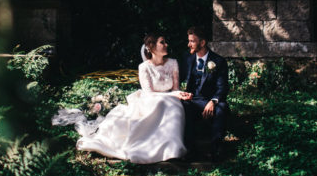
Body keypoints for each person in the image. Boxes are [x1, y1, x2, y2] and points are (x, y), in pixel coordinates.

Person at [75, 33, 189, 163]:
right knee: (165, 102)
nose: (166, 45)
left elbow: (175, 89)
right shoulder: (144, 67)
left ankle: (172, 149)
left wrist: (181, 94)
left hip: (169, 99)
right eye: (162, 42)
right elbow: (149, 93)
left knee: (174, 104)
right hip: (149, 101)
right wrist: (173, 95)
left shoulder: (173, 63)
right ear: (151, 47)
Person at [182, 26, 228, 161]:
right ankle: (190, 150)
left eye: (192, 41)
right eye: (189, 41)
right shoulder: (187, 59)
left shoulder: (218, 61)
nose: (188, 44)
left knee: (221, 109)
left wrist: (213, 101)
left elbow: (223, 87)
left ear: (202, 43)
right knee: (184, 107)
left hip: (210, 100)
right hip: (193, 100)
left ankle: (215, 151)